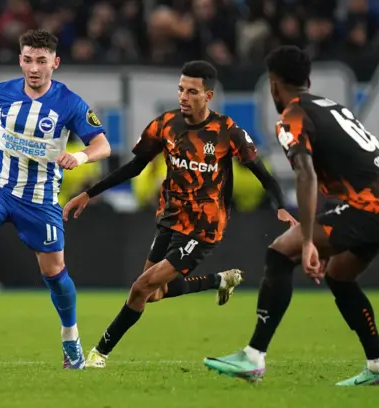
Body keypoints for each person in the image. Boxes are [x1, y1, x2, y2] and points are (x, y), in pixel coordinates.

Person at [63, 60, 294, 368]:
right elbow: (135, 167)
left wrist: (281, 205)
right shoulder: (166, 124)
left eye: (192, 91)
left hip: (204, 227)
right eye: (181, 89)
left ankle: (98, 354)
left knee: (139, 288)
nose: (184, 96)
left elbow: (263, 173)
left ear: (208, 96)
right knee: (153, 293)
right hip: (170, 219)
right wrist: (89, 193)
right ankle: (219, 280)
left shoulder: (227, 132)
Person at [204, 45, 379, 386]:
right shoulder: (331, 107)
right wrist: (319, 233)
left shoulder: (292, 117)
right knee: (340, 277)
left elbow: (306, 175)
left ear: (273, 86)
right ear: (308, 80)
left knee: (281, 252)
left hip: (369, 205)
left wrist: (310, 240)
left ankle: (253, 357)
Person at [0, 29, 111, 369]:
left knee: (55, 273)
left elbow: (103, 145)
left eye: (41, 61)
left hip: (39, 201)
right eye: (28, 60)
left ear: (54, 63)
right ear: (20, 60)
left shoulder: (69, 103)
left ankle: (70, 338)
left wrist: (81, 157)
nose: (34, 67)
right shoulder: (2, 94)